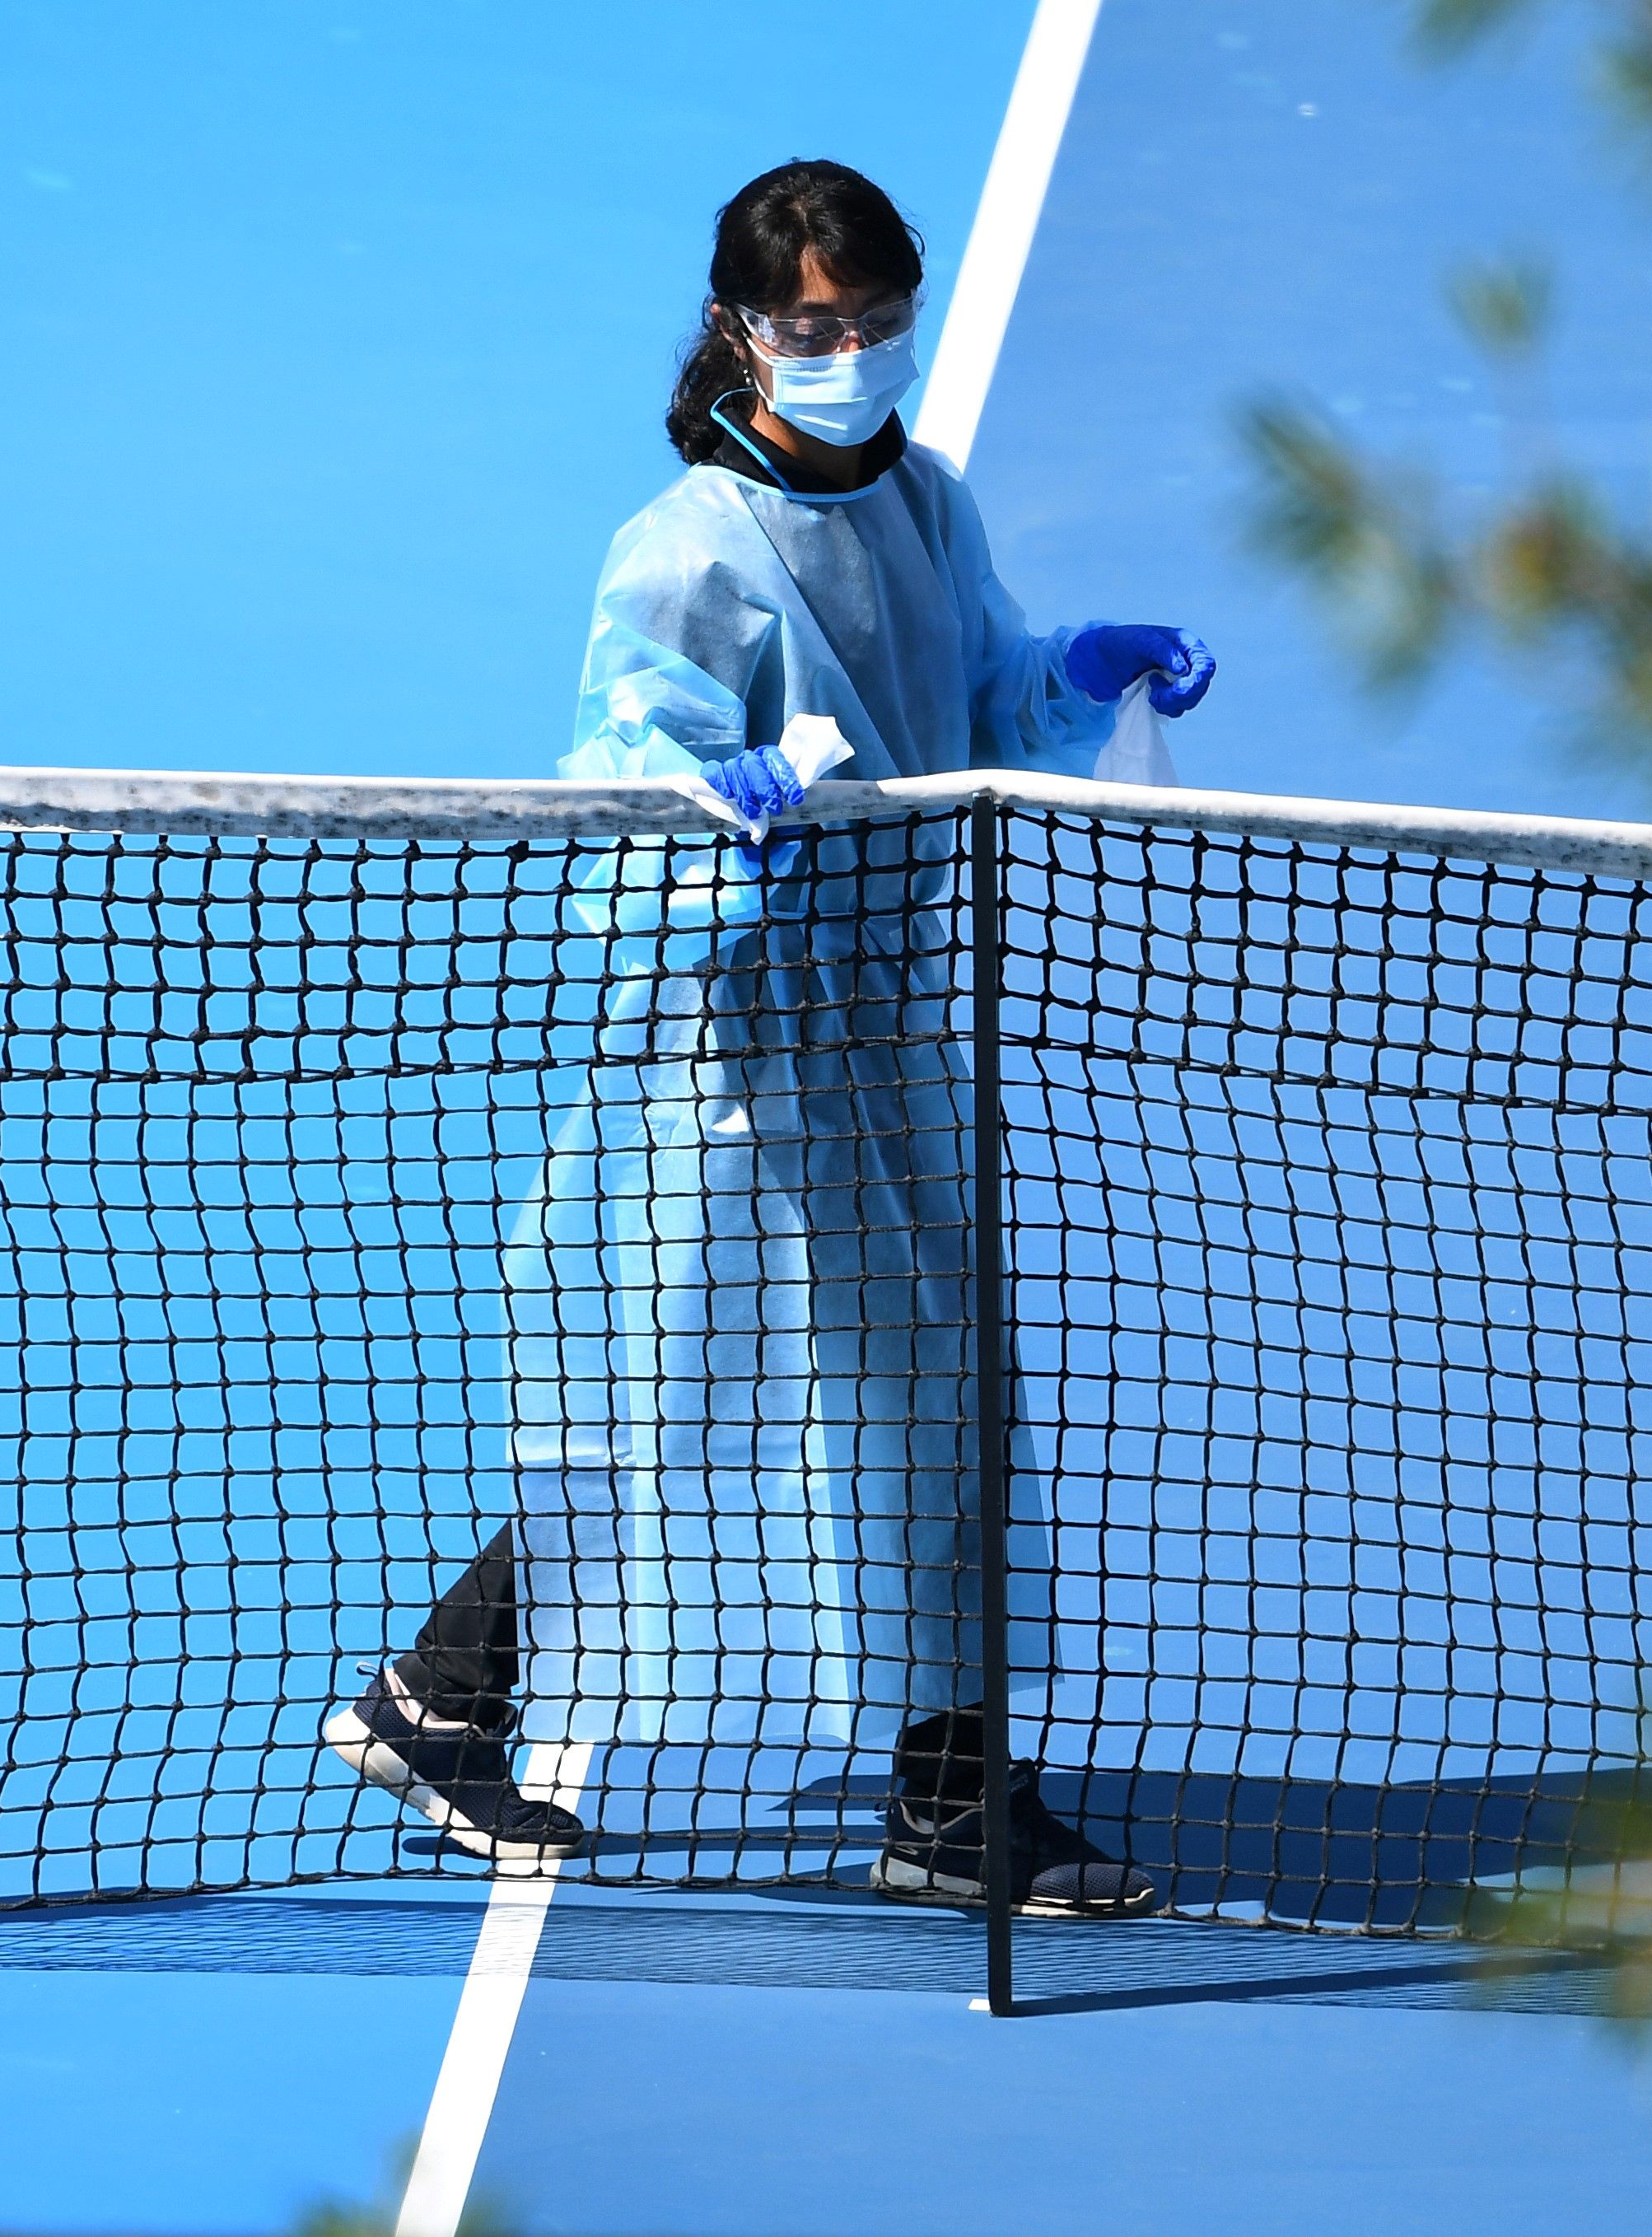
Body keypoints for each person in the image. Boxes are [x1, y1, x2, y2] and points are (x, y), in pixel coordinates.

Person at [324, 160, 1213, 1920]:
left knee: (931, 1398)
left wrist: (1074, 672)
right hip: (731, 1059)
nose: (853, 351)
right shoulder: (683, 552)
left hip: (885, 1033)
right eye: (816, 327)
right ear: (742, 328)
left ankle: (947, 1802)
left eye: (877, 319)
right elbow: (614, 800)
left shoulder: (925, 500)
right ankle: (445, 1695)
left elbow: (976, 703)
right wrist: (703, 818)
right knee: (669, 1408)